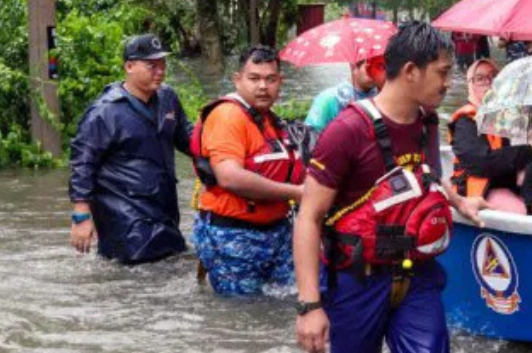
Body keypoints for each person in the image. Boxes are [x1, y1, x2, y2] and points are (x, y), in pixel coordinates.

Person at [292, 22, 484, 353]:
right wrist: (310, 305)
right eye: (443, 72)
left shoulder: (427, 124)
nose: (449, 84)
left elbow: (421, 181)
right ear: (411, 71)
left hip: (419, 277)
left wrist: (458, 200)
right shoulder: (346, 130)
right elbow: (309, 216)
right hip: (357, 281)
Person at [190, 45, 306, 295]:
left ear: (280, 82)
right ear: (238, 80)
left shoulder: (271, 119)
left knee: (292, 301)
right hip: (233, 234)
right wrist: (296, 192)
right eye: (254, 78)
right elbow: (229, 177)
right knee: (241, 315)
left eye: (270, 79)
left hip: (278, 231)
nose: (263, 86)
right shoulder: (228, 116)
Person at [68, 34, 193, 264]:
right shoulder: (105, 112)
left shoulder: (167, 98)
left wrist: (224, 152)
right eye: (151, 65)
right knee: (135, 277)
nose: (160, 71)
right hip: (125, 217)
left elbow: (189, 139)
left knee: (173, 262)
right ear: (129, 66)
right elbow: (82, 163)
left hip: (164, 211)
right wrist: (81, 215)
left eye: (163, 64)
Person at [447, 57, 530, 213]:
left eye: (493, 77)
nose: (488, 82)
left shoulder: (508, 117)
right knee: (519, 210)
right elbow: (481, 164)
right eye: (480, 79)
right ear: (470, 85)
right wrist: (529, 151)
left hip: (506, 185)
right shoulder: (465, 122)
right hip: (476, 194)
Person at [304, 54, 385, 135]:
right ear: (353, 67)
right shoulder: (328, 99)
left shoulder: (384, 97)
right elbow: (311, 136)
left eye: (379, 67)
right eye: (369, 67)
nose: (374, 72)